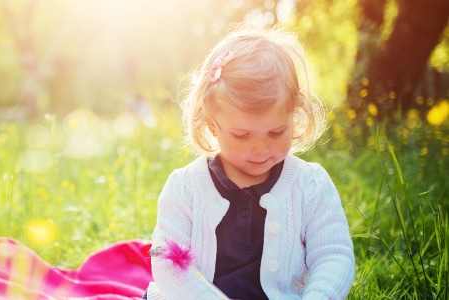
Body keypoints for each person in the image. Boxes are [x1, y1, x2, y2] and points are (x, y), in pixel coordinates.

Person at [144, 24, 355, 299]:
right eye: (242, 135)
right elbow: (169, 263)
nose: (259, 149)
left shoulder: (310, 185)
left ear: (294, 115)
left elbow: (333, 255)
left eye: (276, 132)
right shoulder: (185, 187)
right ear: (212, 124)